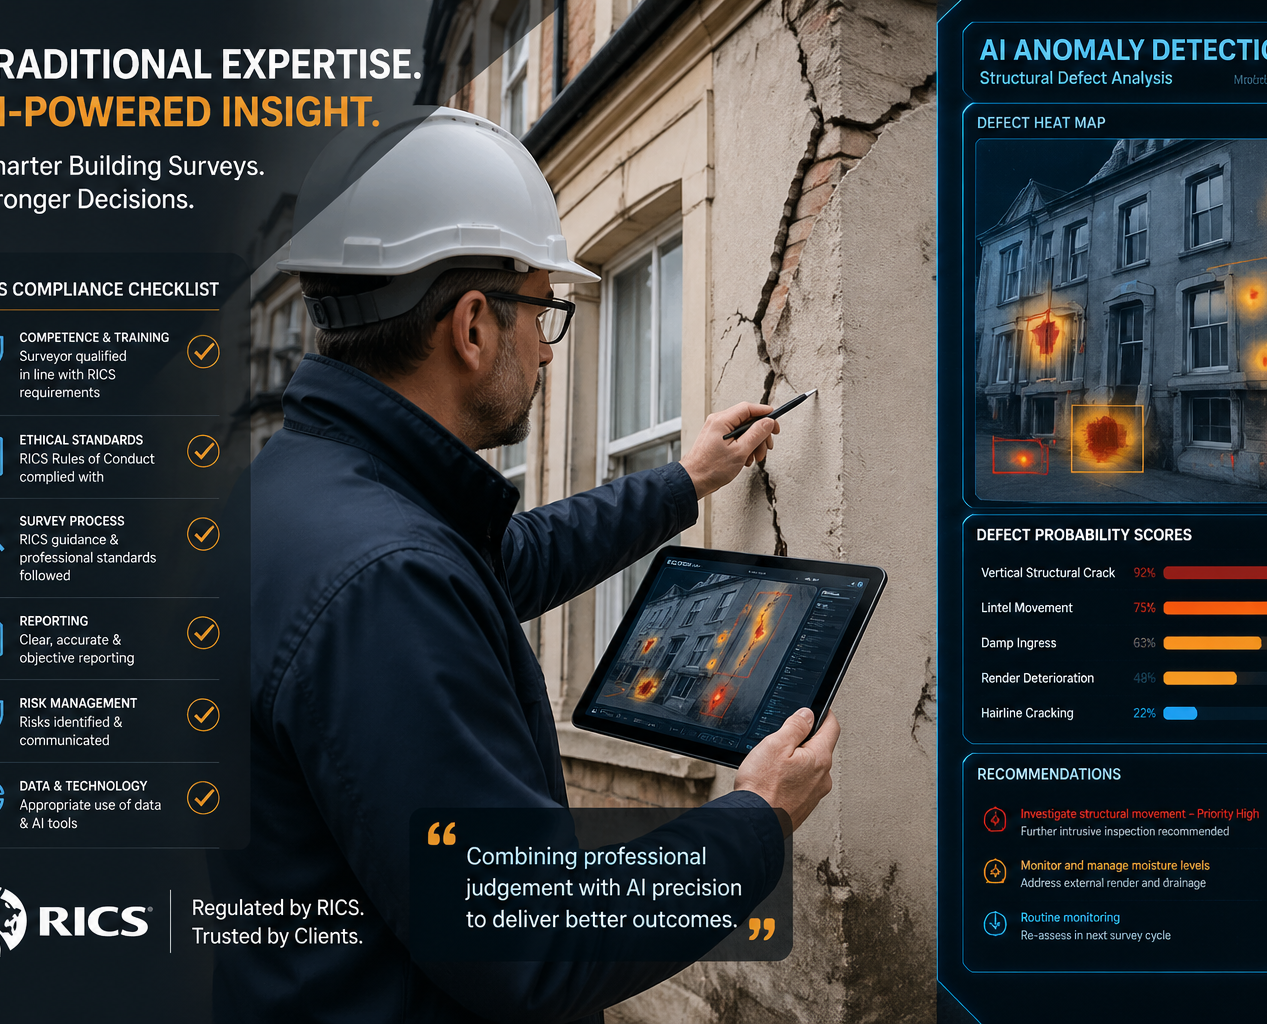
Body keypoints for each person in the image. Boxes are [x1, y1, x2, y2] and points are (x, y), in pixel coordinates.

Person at [211, 108, 840, 1022]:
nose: (548, 348)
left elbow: (513, 556)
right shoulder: (384, 580)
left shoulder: (306, 497)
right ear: (472, 327)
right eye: (545, 312)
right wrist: (756, 819)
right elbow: (534, 940)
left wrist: (682, 482)